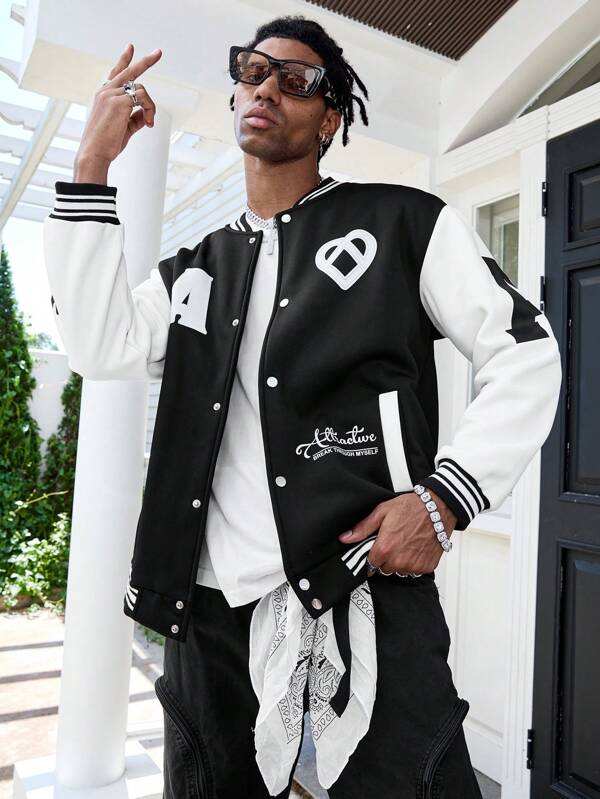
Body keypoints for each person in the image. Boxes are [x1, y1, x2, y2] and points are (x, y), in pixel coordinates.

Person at [43, 14, 562, 799]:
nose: (266, 90)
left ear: (328, 118)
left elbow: (525, 350)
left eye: (295, 81)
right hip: (209, 605)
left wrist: (444, 498)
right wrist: (92, 163)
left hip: (363, 579)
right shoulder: (196, 267)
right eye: (252, 72)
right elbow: (96, 341)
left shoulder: (402, 222)